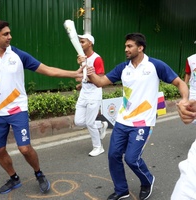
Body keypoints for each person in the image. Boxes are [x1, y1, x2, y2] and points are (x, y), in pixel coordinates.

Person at [0, 20, 82, 195]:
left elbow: (47, 69)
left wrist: (74, 73)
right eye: (5, 34)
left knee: (24, 148)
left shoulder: (18, 55)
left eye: (9, 33)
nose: (10, 37)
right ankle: (14, 178)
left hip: (18, 110)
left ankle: (39, 173)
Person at [79, 33, 189, 200]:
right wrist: (87, 67)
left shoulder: (154, 65)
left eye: (129, 46)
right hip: (123, 119)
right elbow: (100, 82)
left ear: (140, 47)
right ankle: (121, 189)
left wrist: (185, 99)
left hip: (143, 122)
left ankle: (148, 180)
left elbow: (179, 83)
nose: (126, 49)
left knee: (132, 158)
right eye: (125, 46)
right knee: (113, 155)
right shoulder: (123, 68)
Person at [74, 33, 108, 157]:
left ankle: (98, 147)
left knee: (89, 122)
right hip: (84, 94)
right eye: (80, 42)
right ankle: (101, 124)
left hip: (94, 94)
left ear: (90, 43)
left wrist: (85, 78)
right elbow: (85, 76)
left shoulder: (96, 58)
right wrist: (82, 84)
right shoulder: (82, 58)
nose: (80, 44)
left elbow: (100, 77)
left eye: (83, 42)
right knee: (78, 122)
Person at [184, 53, 196, 124]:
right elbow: (188, 73)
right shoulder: (190, 59)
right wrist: (184, 86)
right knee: (193, 115)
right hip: (194, 90)